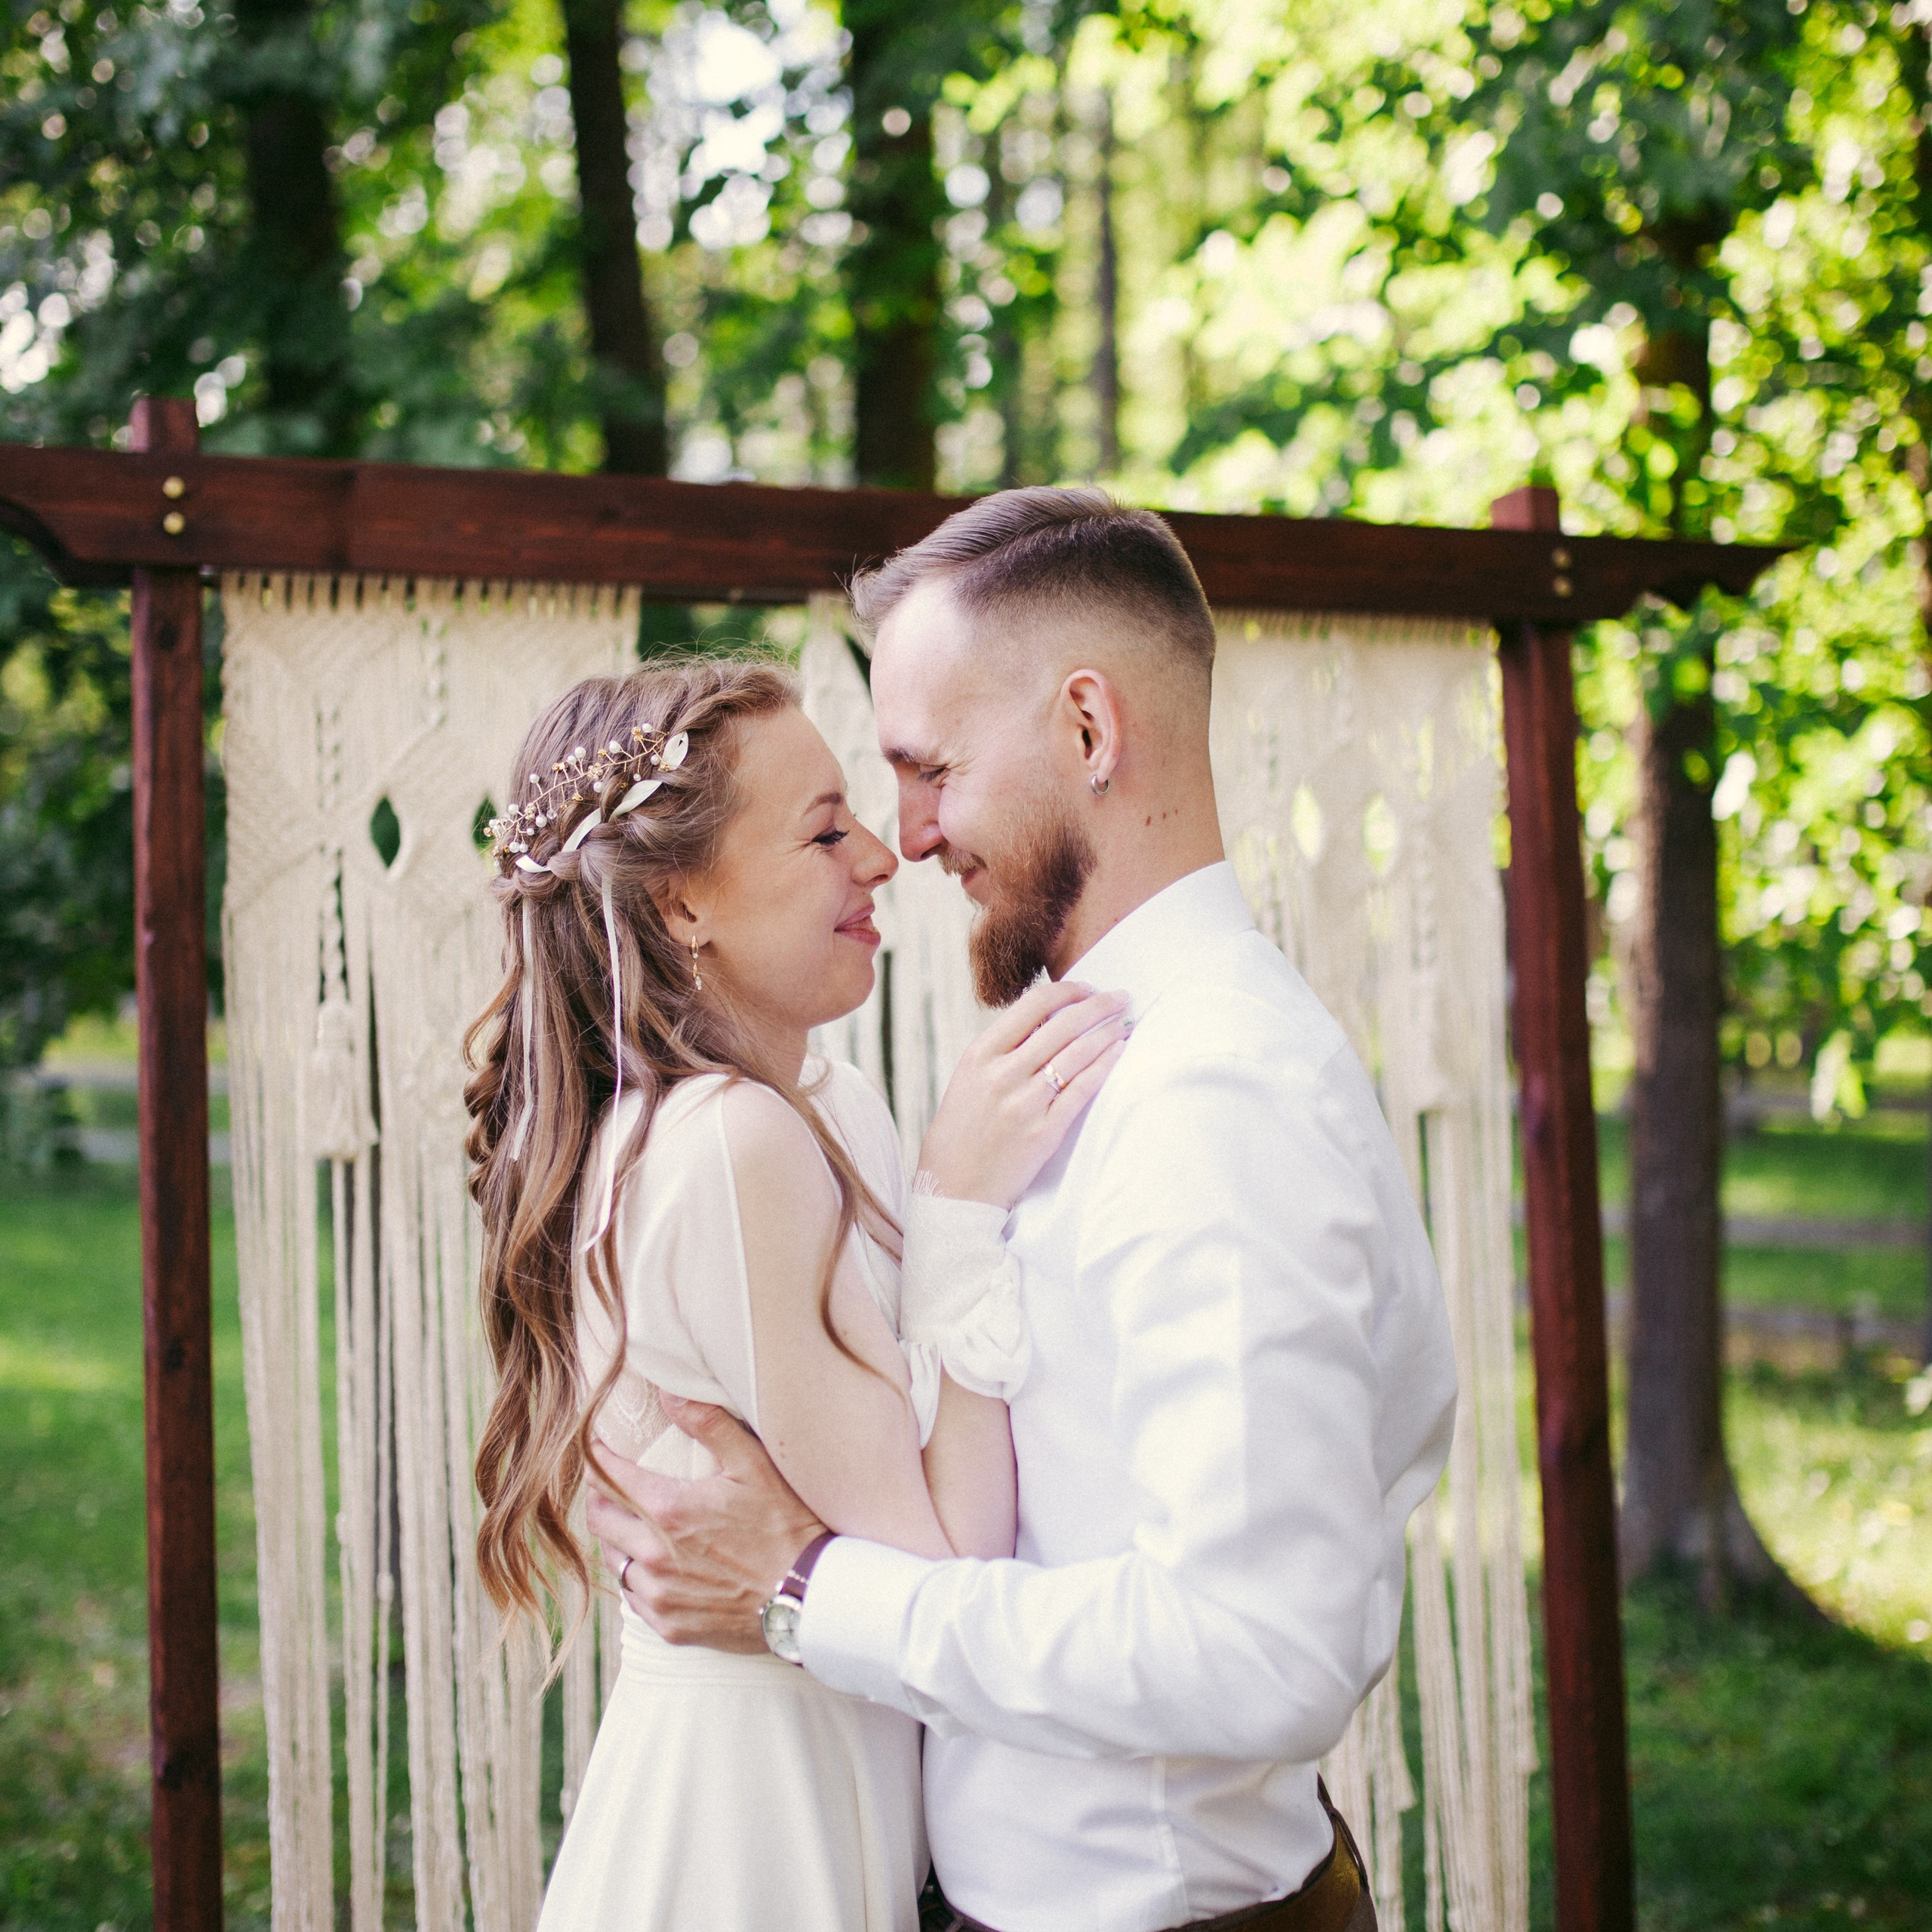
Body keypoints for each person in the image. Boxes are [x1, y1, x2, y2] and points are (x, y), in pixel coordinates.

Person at [589, 488, 1462, 1932]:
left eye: (931, 768)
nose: (908, 836)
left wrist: (808, 1589)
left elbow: (1261, 1650)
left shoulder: (1214, 1099)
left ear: (1085, 730)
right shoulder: (1085, 1061)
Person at [463, 657, 1128, 1932]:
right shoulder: (728, 1145)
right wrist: (959, 1212)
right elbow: (944, 1559)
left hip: (829, 1777)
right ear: (680, 906)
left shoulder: (815, 1105)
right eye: (826, 830)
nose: (883, 856)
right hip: (749, 1832)